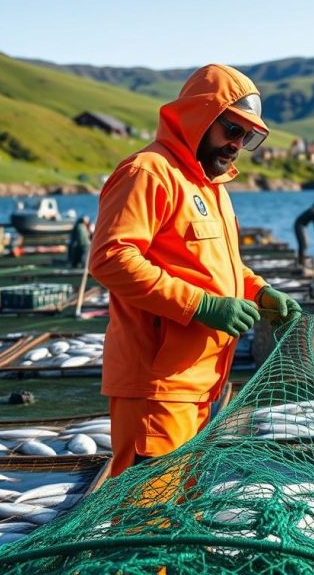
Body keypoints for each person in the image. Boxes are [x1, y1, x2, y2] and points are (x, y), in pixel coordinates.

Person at [89, 64, 302, 477]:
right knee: (148, 518)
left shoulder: (210, 185)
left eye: (249, 136)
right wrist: (201, 305)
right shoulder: (148, 172)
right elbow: (111, 258)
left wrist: (258, 291)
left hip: (201, 383)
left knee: (183, 510)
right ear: (199, 117)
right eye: (231, 129)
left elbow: (218, 265)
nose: (237, 144)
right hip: (158, 387)